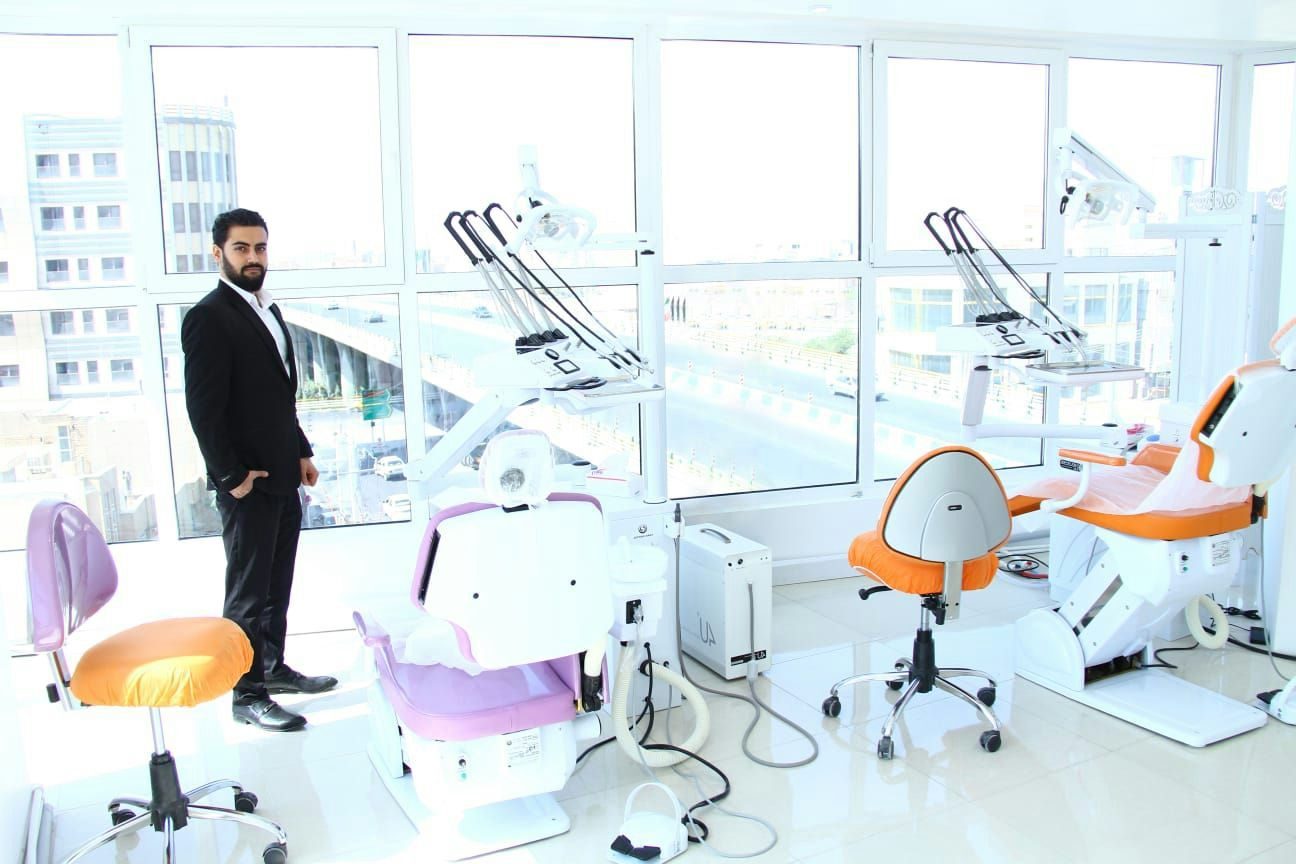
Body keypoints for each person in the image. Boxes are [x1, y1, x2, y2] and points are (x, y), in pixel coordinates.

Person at [182, 208, 337, 732]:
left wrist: (301, 451)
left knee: (276, 585)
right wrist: (232, 477)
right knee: (247, 595)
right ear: (218, 253)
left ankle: (270, 667)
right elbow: (204, 409)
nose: (253, 257)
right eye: (242, 248)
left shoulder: (267, 308)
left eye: (260, 248)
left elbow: (278, 398)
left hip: (282, 474)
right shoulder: (209, 316)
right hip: (247, 484)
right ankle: (246, 695)